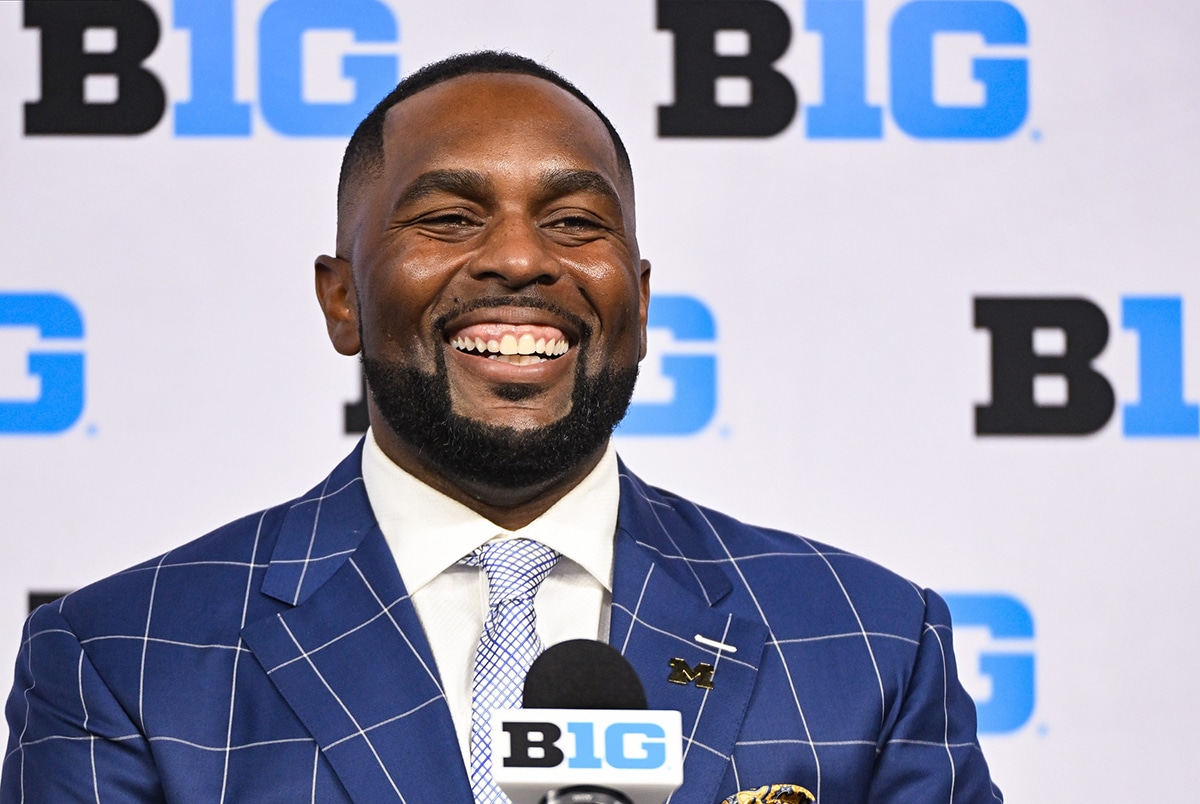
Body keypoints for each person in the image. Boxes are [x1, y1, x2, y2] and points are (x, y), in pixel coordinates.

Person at [1, 52, 1001, 803]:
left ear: (639, 301)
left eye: (575, 222)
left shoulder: (870, 643)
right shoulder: (123, 660)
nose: (520, 259)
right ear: (342, 298)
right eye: (448, 219)